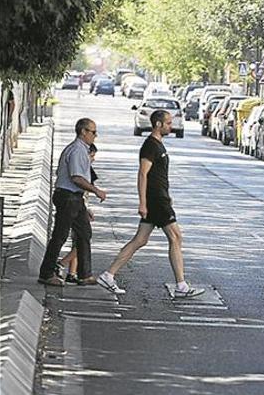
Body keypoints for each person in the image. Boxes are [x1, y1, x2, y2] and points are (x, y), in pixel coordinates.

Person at [98, 110, 204, 298]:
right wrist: (143, 203)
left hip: (160, 198)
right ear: (158, 125)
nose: (171, 126)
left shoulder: (158, 145)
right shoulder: (150, 146)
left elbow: (159, 176)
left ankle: (108, 275)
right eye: (168, 123)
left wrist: (167, 195)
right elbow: (142, 174)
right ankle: (181, 286)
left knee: (140, 240)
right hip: (156, 200)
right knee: (176, 237)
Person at [38, 118, 106, 286]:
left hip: (75, 198)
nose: (95, 136)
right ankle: (46, 273)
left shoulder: (82, 150)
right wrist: (96, 190)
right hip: (68, 196)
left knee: (84, 233)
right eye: (93, 132)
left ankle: (85, 274)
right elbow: (76, 177)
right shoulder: (76, 150)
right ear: (83, 131)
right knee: (60, 236)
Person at [57, 143, 99, 283]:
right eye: (91, 156)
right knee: (77, 238)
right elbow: (82, 188)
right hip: (75, 202)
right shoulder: (77, 158)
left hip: (79, 204)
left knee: (81, 237)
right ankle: (61, 264)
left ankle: (74, 272)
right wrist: (86, 207)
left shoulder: (84, 166)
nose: (92, 160)